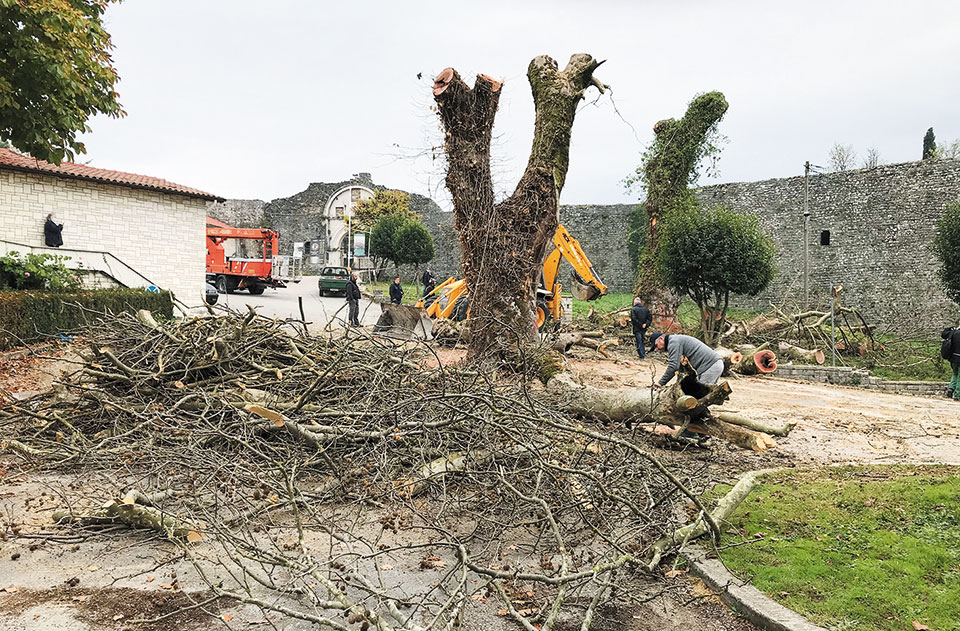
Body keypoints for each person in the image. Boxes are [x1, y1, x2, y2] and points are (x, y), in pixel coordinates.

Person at [649, 332, 724, 387]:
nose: (656, 349)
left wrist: (660, 383)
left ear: (661, 339)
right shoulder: (675, 341)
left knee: (699, 395)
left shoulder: (673, 342)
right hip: (710, 366)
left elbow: (673, 366)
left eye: (656, 345)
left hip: (711, 366)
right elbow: (680, 367)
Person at [943, 326, 960, 400]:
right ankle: (957, 394)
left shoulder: (954, 333)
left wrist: (949, 328)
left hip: (953, 357)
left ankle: (951, 388)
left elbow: (943, 335)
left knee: (955, 373)